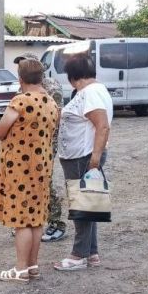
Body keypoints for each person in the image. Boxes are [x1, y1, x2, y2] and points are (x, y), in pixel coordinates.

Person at [0, 58, 60, 283]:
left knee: (21, 220)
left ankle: (20, 270)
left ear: (20, 79)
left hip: (19, 170)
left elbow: (0, 131)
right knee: (36, 219)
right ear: (41, 77)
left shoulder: (20, 101)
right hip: (42, 168)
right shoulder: (51, 103)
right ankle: (32, 266)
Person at [53, 53, 113, 271]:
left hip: (83, 157)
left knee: (82, 205)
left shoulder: (89, 93)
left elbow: (102, 126)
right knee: (90, 204)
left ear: (73, 77)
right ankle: (92, 252)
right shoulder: (95, 90)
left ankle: (78, 255)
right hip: (82, 156)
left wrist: (94, 160)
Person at [12, 54, 66, 242]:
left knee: (44, 182)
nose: (20, 68)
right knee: (25, 182)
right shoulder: (22, 88)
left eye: (23, 65)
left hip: (45, 143)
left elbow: (56, 118)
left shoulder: (51, 87)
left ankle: (56, 223)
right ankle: (27, 220)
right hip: (25, 145)